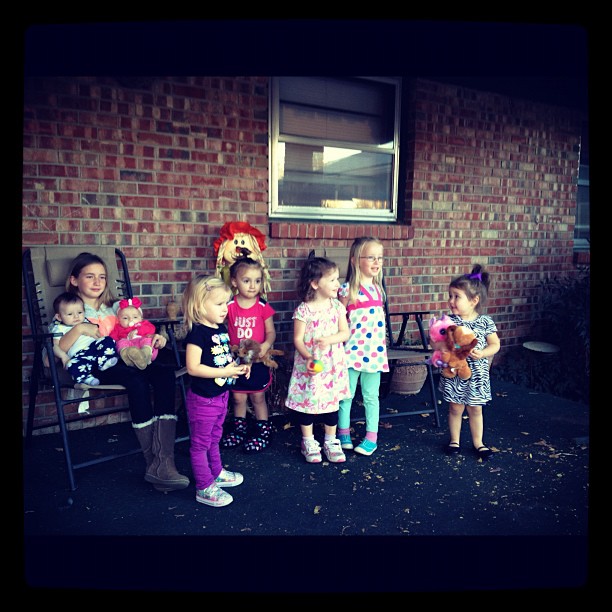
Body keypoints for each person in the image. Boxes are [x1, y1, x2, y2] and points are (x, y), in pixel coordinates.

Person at [61, 252, 190, 493]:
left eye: (102, 276)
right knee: (136, 380)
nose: (97, 282)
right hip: (102, 365)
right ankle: (154, 463)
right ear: (74, 280)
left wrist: (155, 337)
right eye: (90, 276)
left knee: (164, 373)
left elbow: (138, 329)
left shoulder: (116, 308)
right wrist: (78, 329)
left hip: (131, 356)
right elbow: (52, 352)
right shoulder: (70, 309)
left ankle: (165, 461)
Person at [182, 275, 250, 507]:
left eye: (226, 303)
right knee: (200, 444)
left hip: (220, 396)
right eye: (219, 304)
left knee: (214, 437)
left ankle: (216, 472)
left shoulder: (220, 329)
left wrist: (237, 367)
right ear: (200, 305)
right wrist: (225, 372)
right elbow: (193, 367)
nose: (225, 308)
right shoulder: (197, 333)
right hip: (203, 399)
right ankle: (204, 486)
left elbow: (222, 359)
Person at [285, 256, 351, 464]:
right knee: (308, 402)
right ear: (315, 283)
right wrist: (308, 356)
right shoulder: (304, 310)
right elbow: (297, 339)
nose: (337, 284)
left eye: (337, 279)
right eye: (332, 280)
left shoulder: (337, 307)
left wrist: (329, 340)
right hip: (310, 365)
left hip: (332, 366)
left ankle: (331, 441)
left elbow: (345, 333)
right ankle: (308, 441)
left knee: (332, 403)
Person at [440, 264, 501, 459]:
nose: (451, 301)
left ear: (474, 300)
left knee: (475, 409)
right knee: (455, 407)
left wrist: (482, 353)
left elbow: (495, 344)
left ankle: (478, 443)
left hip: (477, 375)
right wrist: (442, 348)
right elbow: (438, 342)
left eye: (456, 297)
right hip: (455, 373)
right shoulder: (449, 321)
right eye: (450, 296)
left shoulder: (485, 322)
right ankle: (454, 441)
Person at [337, 237, 389, 456]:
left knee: (370, 396)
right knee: (345, 395)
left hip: (374, 353)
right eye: (371, 257)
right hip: (350, 352)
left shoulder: (378, 289)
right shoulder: (346, 290)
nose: (377, 262)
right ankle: (343, 433)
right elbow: (338, 321)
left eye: (380, 258)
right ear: (356, 260)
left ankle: (371, 437)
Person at [221, 257, 276, 452]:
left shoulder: (262, 306)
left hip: (257, 360)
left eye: (257, 280)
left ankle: (263, 432)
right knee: (238, 398)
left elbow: (271, 332)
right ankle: (239, 430)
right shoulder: (229, 306)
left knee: (258, 397)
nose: (253, 286)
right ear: (234, 282)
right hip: (236, 360)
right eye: (247, 280)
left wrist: (265, 345)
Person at [50, 291, 118, 386]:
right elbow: (54, 346)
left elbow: (98, 336)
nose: (76, 316)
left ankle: (104, 362)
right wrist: (63, 356)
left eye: (80, 312)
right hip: (79, 356)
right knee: (71, 365)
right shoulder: (59, 328)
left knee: (108, 340)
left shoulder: (86, 322)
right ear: (59, 317)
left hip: (94, 349)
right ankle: (87, 378)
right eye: (70, 314)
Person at [109, 297, 159, 370]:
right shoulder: (118, 327)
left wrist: (138, 330)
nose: (131, 320)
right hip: (129, 348)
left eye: (135, 317)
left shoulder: (143, 324)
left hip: (143, 346)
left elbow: (151, 329)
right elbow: (112, 337)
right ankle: (126, 355)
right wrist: (117, 342)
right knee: (121, 342)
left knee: (148, 339)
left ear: (141, 318)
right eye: (125, 318)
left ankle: (145, 355)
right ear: (119, 320)